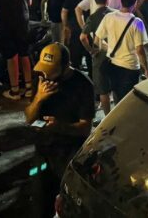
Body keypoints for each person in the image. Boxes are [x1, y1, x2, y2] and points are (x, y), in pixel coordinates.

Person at [25, 43, 94, 216]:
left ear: (66, 66)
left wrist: (59, 127)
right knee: (39, 204)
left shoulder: (83, 85)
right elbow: (29, 119)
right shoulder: (41, 80)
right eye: (44, 69)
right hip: (43, 155)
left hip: (69, 157)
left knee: (70, 205)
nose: (46, 74)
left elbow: (85, 128)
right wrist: (39, 98)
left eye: (51, 70)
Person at [94, 0, 148, 101]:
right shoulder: (137, 22)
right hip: (130, 67)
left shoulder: (109, 17)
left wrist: (110, 49)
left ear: (121, 1)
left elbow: (97, 40)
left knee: (117, 97)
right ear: (134, 4)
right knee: (128, 100)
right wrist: (146, 69)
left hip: (113, 65)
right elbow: (139, 50)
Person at [79, 0, 115, 115]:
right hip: (115, 53)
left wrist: (90, 50)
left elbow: (83, 37)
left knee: (103, 89)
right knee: (116, 85)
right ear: (108, 0)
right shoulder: (115, 14)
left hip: (99, 55)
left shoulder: (93, 17)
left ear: (95, 0)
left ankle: (107, 117)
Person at [61, 0, 94, 74]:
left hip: (74, 30)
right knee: (90, 57)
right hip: (89, 30)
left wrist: (66, 26)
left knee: (75, 59)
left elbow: (64, 12)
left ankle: (77, 80)